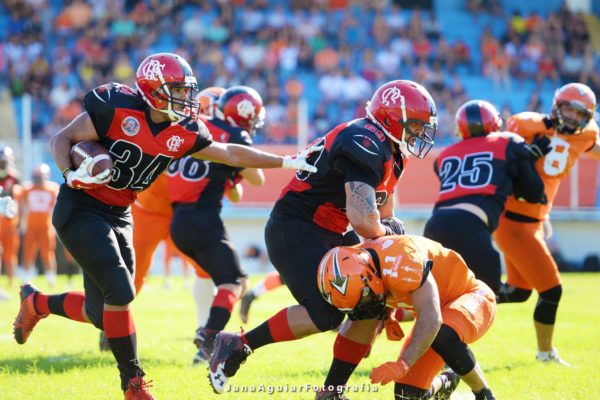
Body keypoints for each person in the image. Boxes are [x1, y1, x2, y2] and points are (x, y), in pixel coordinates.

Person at [11, 52, 320, 400]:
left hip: (121, 212)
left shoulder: (183, 130)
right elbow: (61, 140)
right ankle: (133, 384)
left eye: (188, 91)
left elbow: (231, 153)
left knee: (101, 312)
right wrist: (71, 173)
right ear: (153, 89)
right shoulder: (116, 107)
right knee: (122, 293)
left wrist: (287, 160)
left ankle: (36, 303)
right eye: (179, 90)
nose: (188, 99)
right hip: (80, 207)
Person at [208, 79, 437, 395]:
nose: (418, 133)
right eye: (414, 125)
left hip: (329, 232)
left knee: (371, 302)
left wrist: (391, 242)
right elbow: (365, 220)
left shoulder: (392, 151)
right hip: (298, 227)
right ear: (390, 118)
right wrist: (392, 237)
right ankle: (237, 344)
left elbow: (383, 216)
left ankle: (331, 390)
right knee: (325, 312)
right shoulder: (365, 140)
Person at [493, 82, 600, 365]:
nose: (574, 118)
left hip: (533, 221)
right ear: (556, 105)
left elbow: (594, 149)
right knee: (552, 290)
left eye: (581, 114)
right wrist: (525, 156)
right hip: (513, 219)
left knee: (517, 291)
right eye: (569, 109)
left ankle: (455, 302)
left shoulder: (586, 134)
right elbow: (497, 158)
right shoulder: (528, 124)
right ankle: (545, 355)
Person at [316, 235, 497, 400]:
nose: (364, 304)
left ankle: (483, 393)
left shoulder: (402, 261)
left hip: (470, 296)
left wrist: (403, 364)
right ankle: (446, 381)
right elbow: (366, 315)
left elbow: (432, 318)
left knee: (442, 334)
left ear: (371, 276)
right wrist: (387, 314)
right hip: (433, 310)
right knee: (407, 395)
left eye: (364, 297)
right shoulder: (357, 263)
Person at [168, 85, 267, 364]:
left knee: (231, 279)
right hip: (202, 219)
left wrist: (229, 174)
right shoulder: (232, 134)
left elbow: (230, 188)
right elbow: (257, 178)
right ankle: (209, 341)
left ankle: (207, 333)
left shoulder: (189, 128)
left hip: (179, 221)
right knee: (233, 281)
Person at [423, 100, 546, 293]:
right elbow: (533, 193)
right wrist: (530, 159)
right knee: (484, 299)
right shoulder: (507, 142)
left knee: (433, 300)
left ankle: (387, 318)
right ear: (494, 123)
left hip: (434, 226)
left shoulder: (444, 155)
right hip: (471, 225)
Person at [19, 163, 60, 286]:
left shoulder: (52, 188)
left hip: (46, 226)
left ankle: (51, 278)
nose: (38, 178)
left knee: (48, 253)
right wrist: (21, 224)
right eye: (36, 176)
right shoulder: (27, 189)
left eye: (39, 176)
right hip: (31, 225)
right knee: (28, 252)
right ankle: (26, 278)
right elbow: (22, 207)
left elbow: (57, 208)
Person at [0, 146, 21, 290]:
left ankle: (10, 285)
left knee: (10, 254)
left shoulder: (15, 177)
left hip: (9, 219)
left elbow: (16, 199)